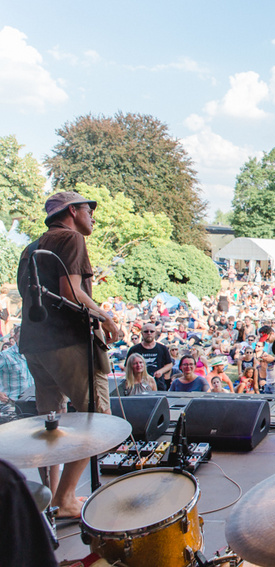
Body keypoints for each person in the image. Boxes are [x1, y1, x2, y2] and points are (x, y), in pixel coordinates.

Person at [16, 191, 123, 520]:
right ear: (72, 211)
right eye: (89, 209)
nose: (92, 215)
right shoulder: (71, 239)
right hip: (67, 345)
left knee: (52, 422)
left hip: (35, 347)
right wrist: (105, 317)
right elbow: (71, 292)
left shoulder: (31, 248)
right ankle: (65, 499)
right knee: (97, 414)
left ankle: (50, 498)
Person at [0, 326, 34, 421]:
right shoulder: (5, 355)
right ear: (15, 337)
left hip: (30, 403)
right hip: (11, 405)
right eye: (21, 335)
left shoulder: (33, 355)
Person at [127, 323, 173, 390]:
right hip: (138, 384)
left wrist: (161, 371)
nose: (149, 333)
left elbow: (169, 364)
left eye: (151, 331)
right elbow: (127, 366)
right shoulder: (134, 349)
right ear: (142, 333)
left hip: (158, 383)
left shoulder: (162, 348)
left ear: (155, 333)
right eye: (146, 331)